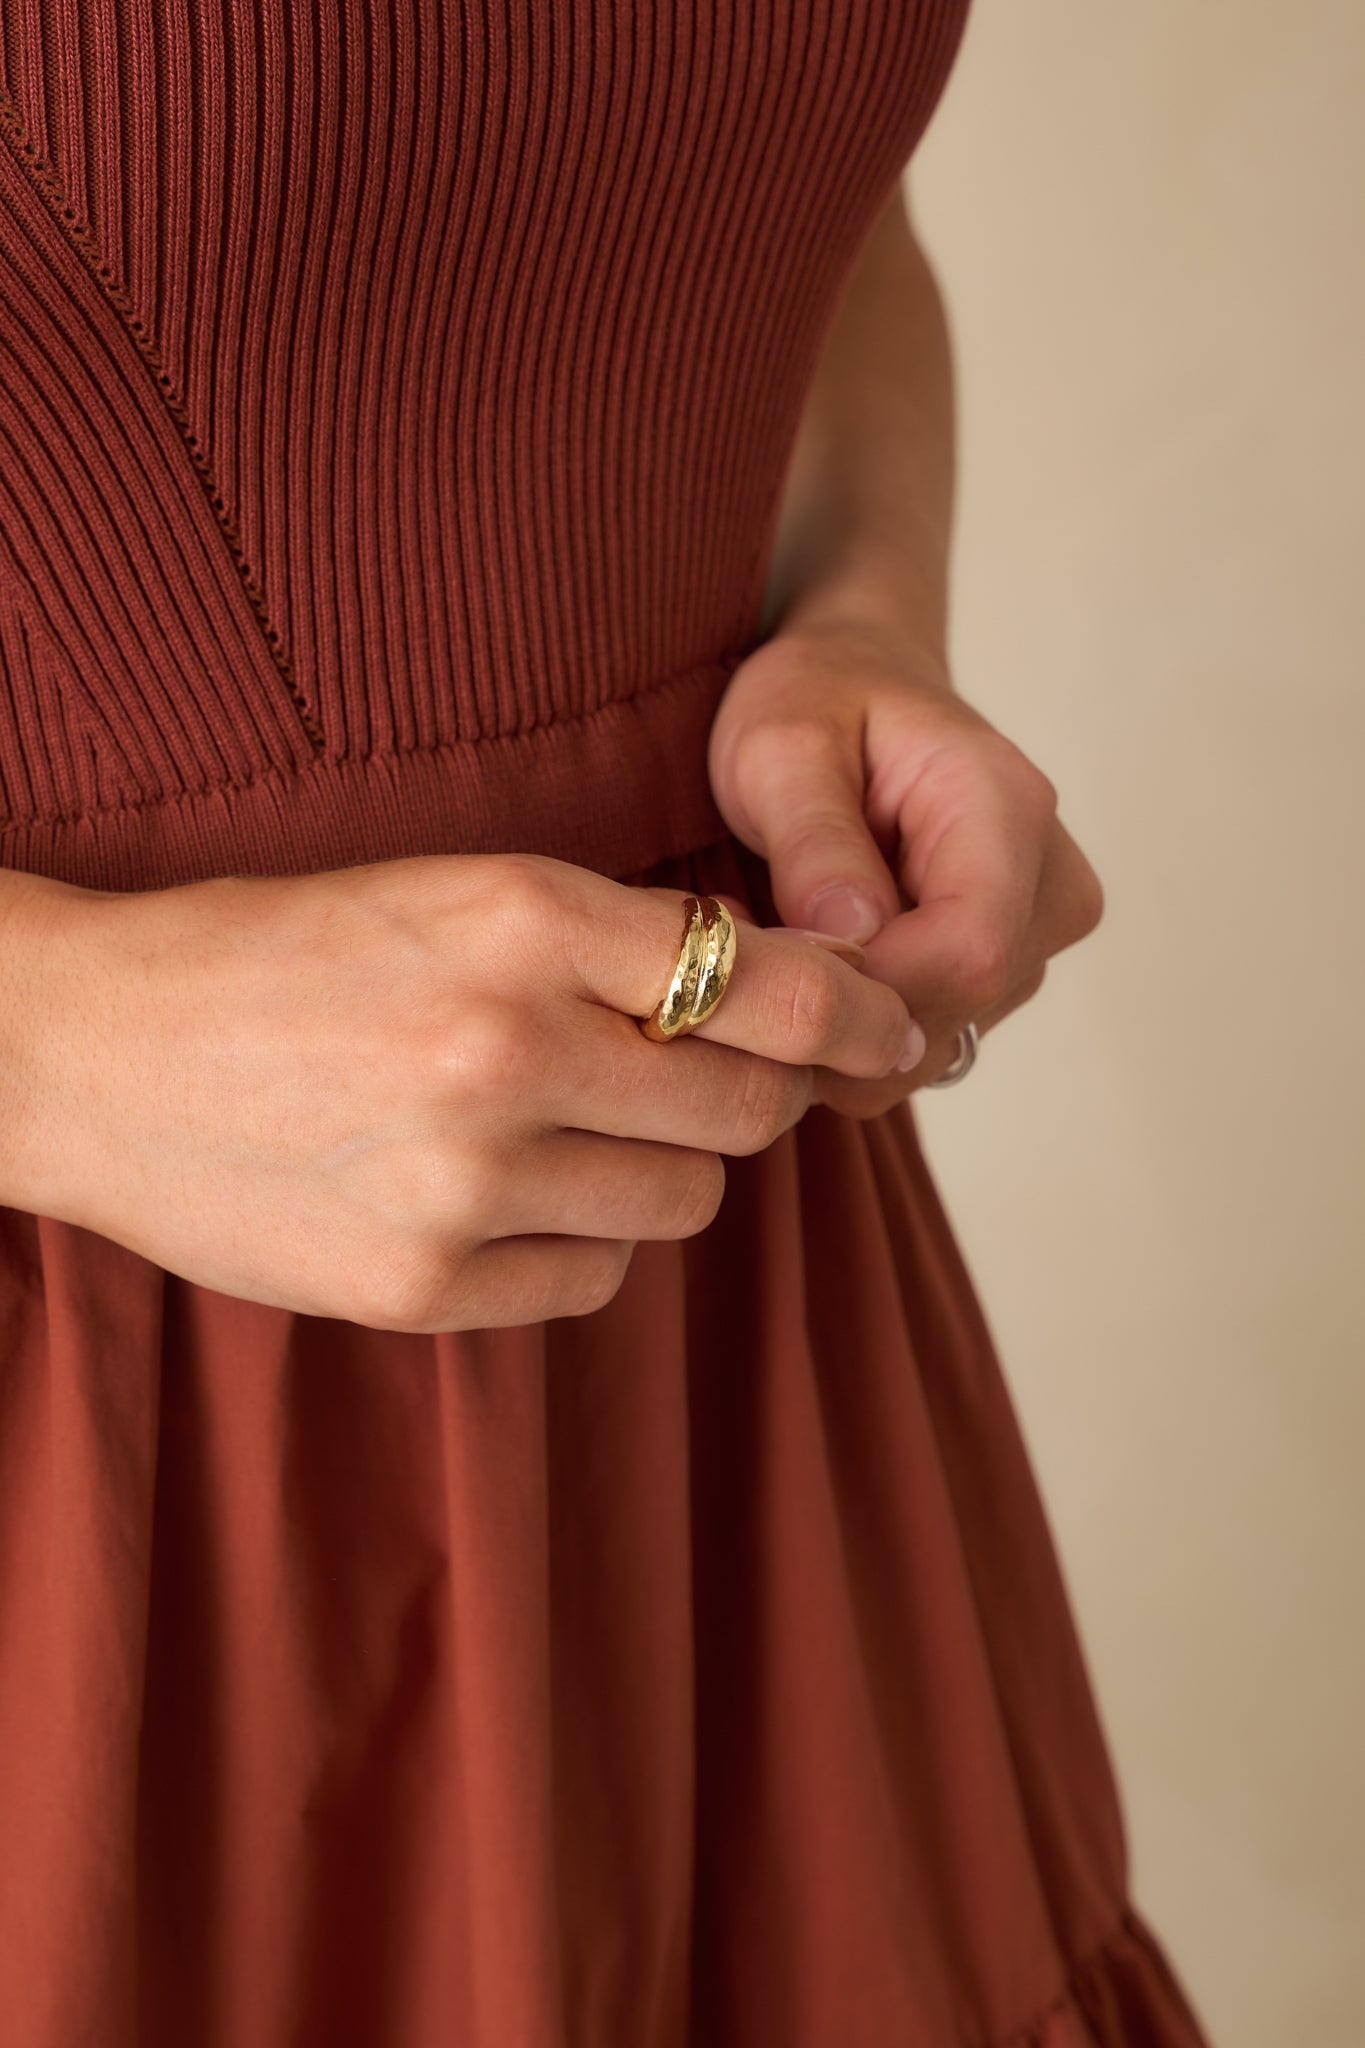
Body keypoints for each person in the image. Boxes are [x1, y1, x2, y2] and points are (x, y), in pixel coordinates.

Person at [0, 3, 1214, 2042]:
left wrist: (856, 607)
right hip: (85, 1419)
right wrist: (58, 1041)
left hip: (734, 1379)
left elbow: (785, 200)